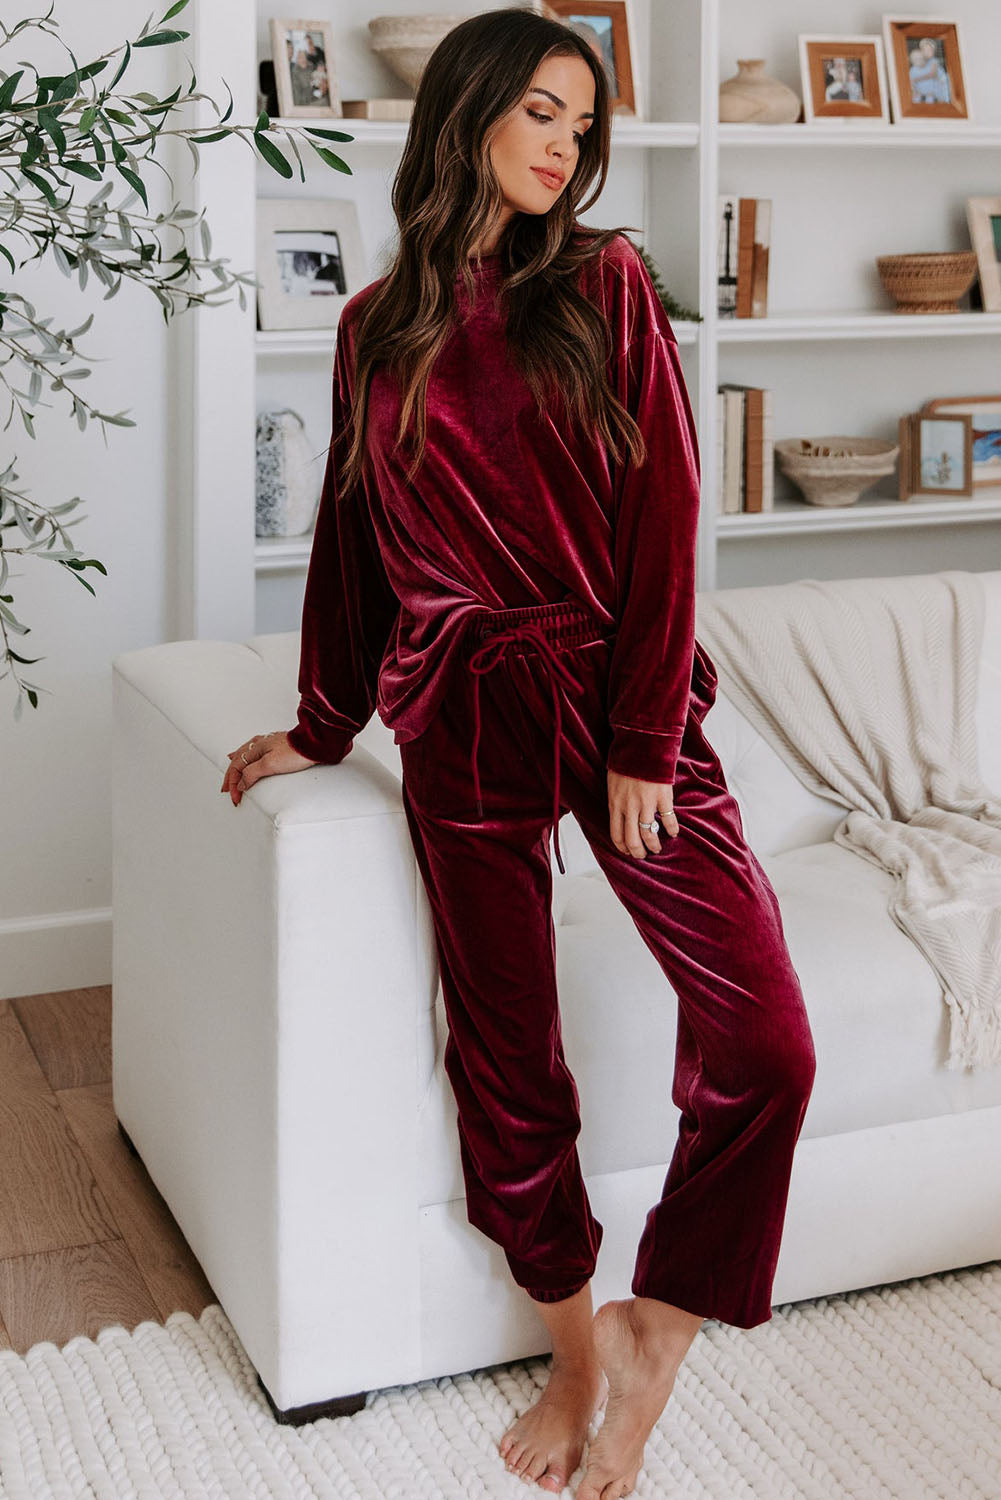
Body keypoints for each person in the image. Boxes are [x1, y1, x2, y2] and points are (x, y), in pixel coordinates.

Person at [221, 8, 816, 1496]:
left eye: (583, 124)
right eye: (541, 111)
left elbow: (669, 519)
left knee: (761, 1043)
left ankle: (654, 1332)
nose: (565, 143)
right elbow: (350, 549)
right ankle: (569, 1349)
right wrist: (318, 725)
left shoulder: (607, 285)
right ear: (469, 112)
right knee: (505, 1063)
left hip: (615, 705)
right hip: (460, 720)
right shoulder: (375, 328)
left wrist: (638, 734)